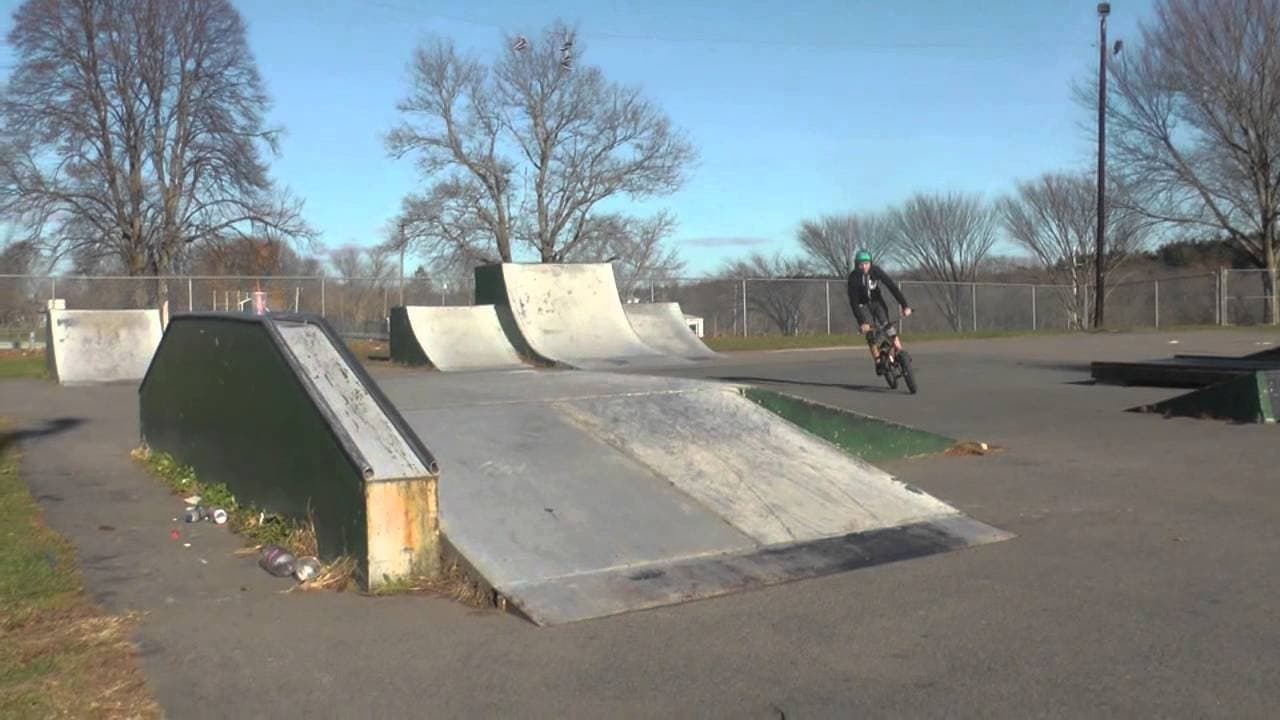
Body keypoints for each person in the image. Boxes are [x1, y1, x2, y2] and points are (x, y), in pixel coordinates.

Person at [846, 249, 912, 374]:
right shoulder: (853, 278)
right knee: (870, 332)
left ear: (870, 263)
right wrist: (862, 323)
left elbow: (891, 286)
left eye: (867, 263)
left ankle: (900, 351)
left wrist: (904, 306)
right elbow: (853, 302)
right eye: (861, 264)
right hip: (862, 305)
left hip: (877, 302)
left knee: (887, 325)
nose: (864, 266)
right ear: (857, 265)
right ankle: (877, 361)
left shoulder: (876, 271)